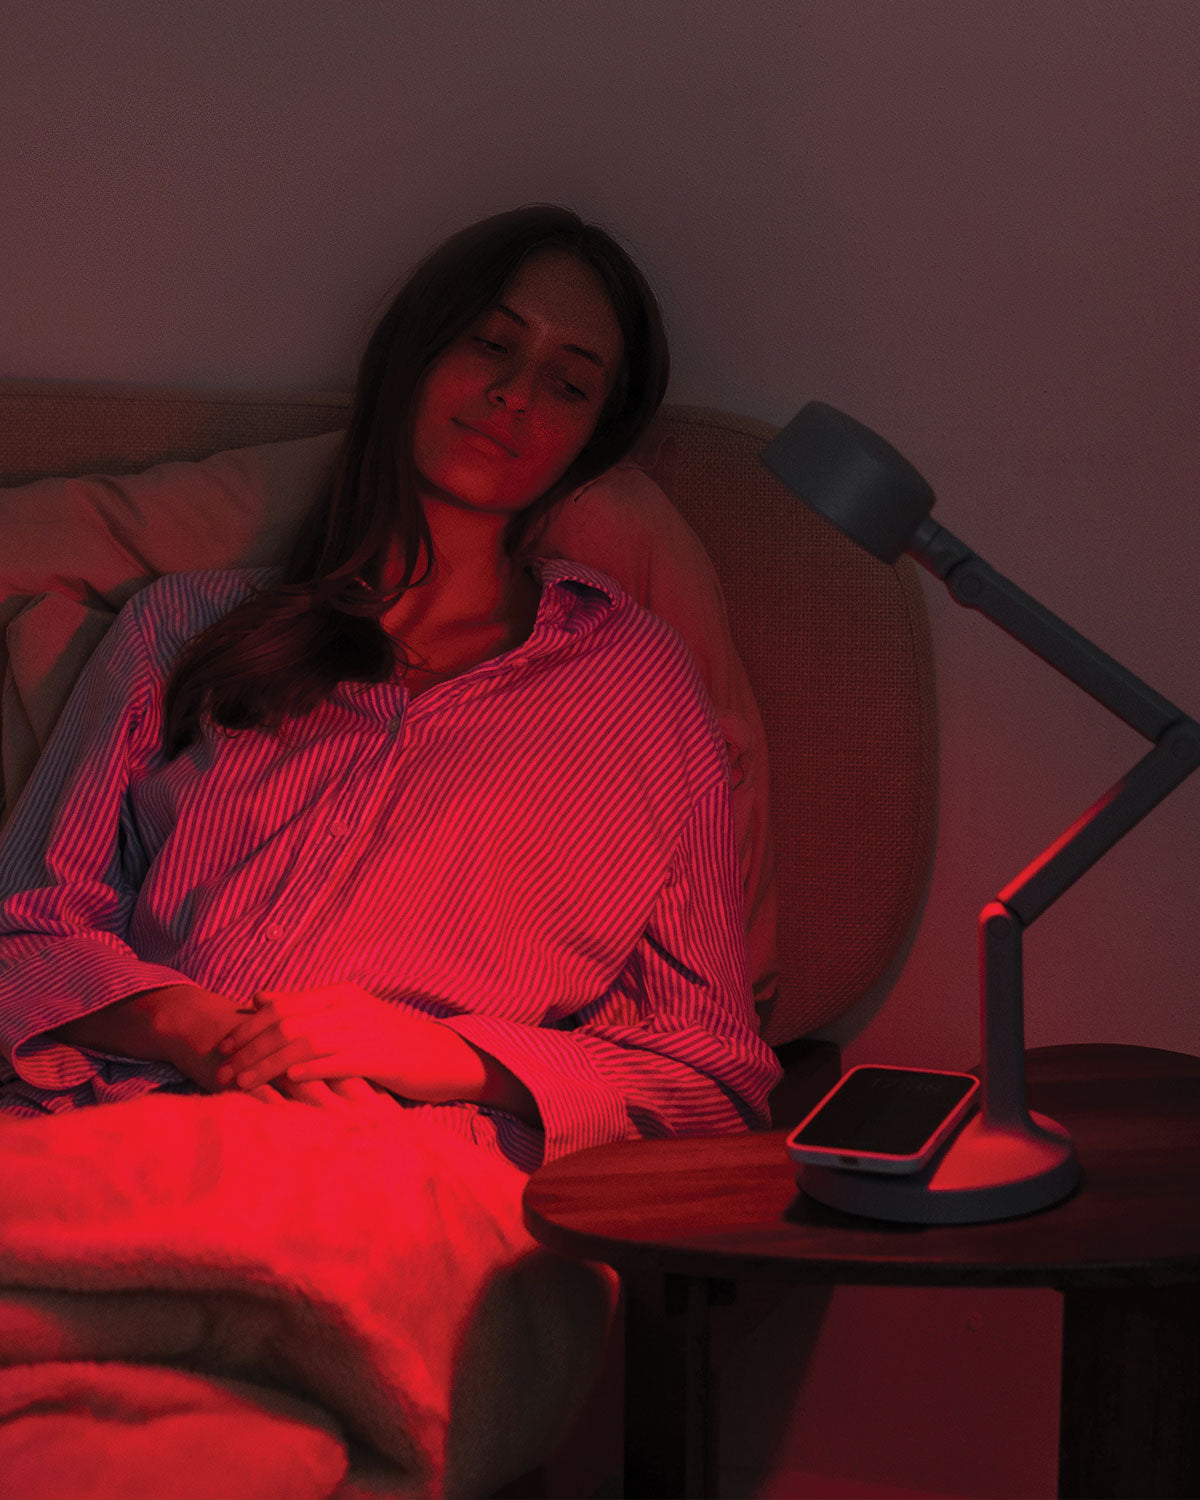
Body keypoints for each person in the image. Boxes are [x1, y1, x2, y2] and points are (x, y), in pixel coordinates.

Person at [0, 203, 781, 1172]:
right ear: (411, 353)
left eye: (568, 385)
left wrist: (447, 1055)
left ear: (593, 440)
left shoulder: (635, 685)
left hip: (398, 1168)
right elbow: (24, 925)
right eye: (489, 344)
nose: (514, 395)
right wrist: (189, 1026)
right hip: (103, 1129)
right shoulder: (182, 625)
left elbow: (708, 1077)